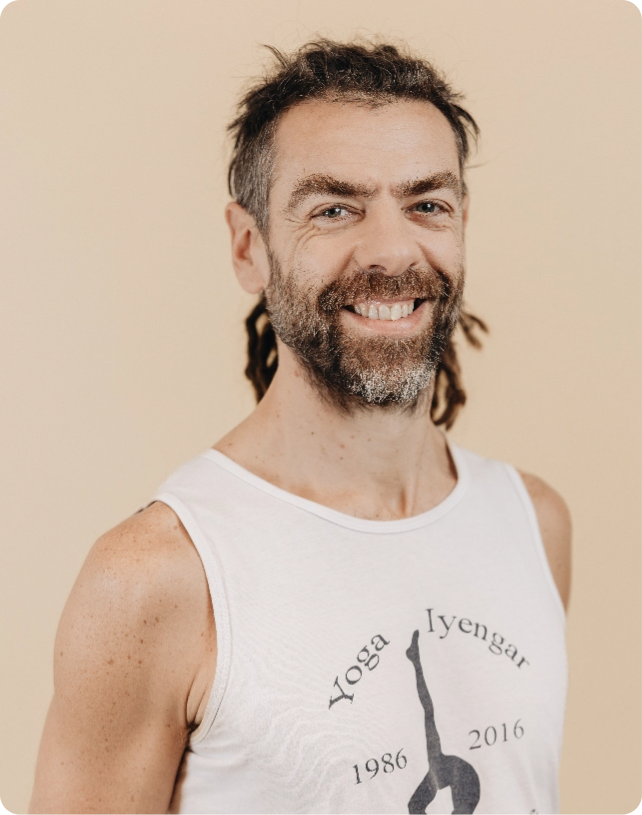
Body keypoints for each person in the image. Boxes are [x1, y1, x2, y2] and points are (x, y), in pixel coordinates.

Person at [29, 39, 571, 815]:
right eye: (334, 209)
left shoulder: (535, 522)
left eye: (427, 204)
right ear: (250, 248)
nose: (392, 249)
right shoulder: (157, 579)